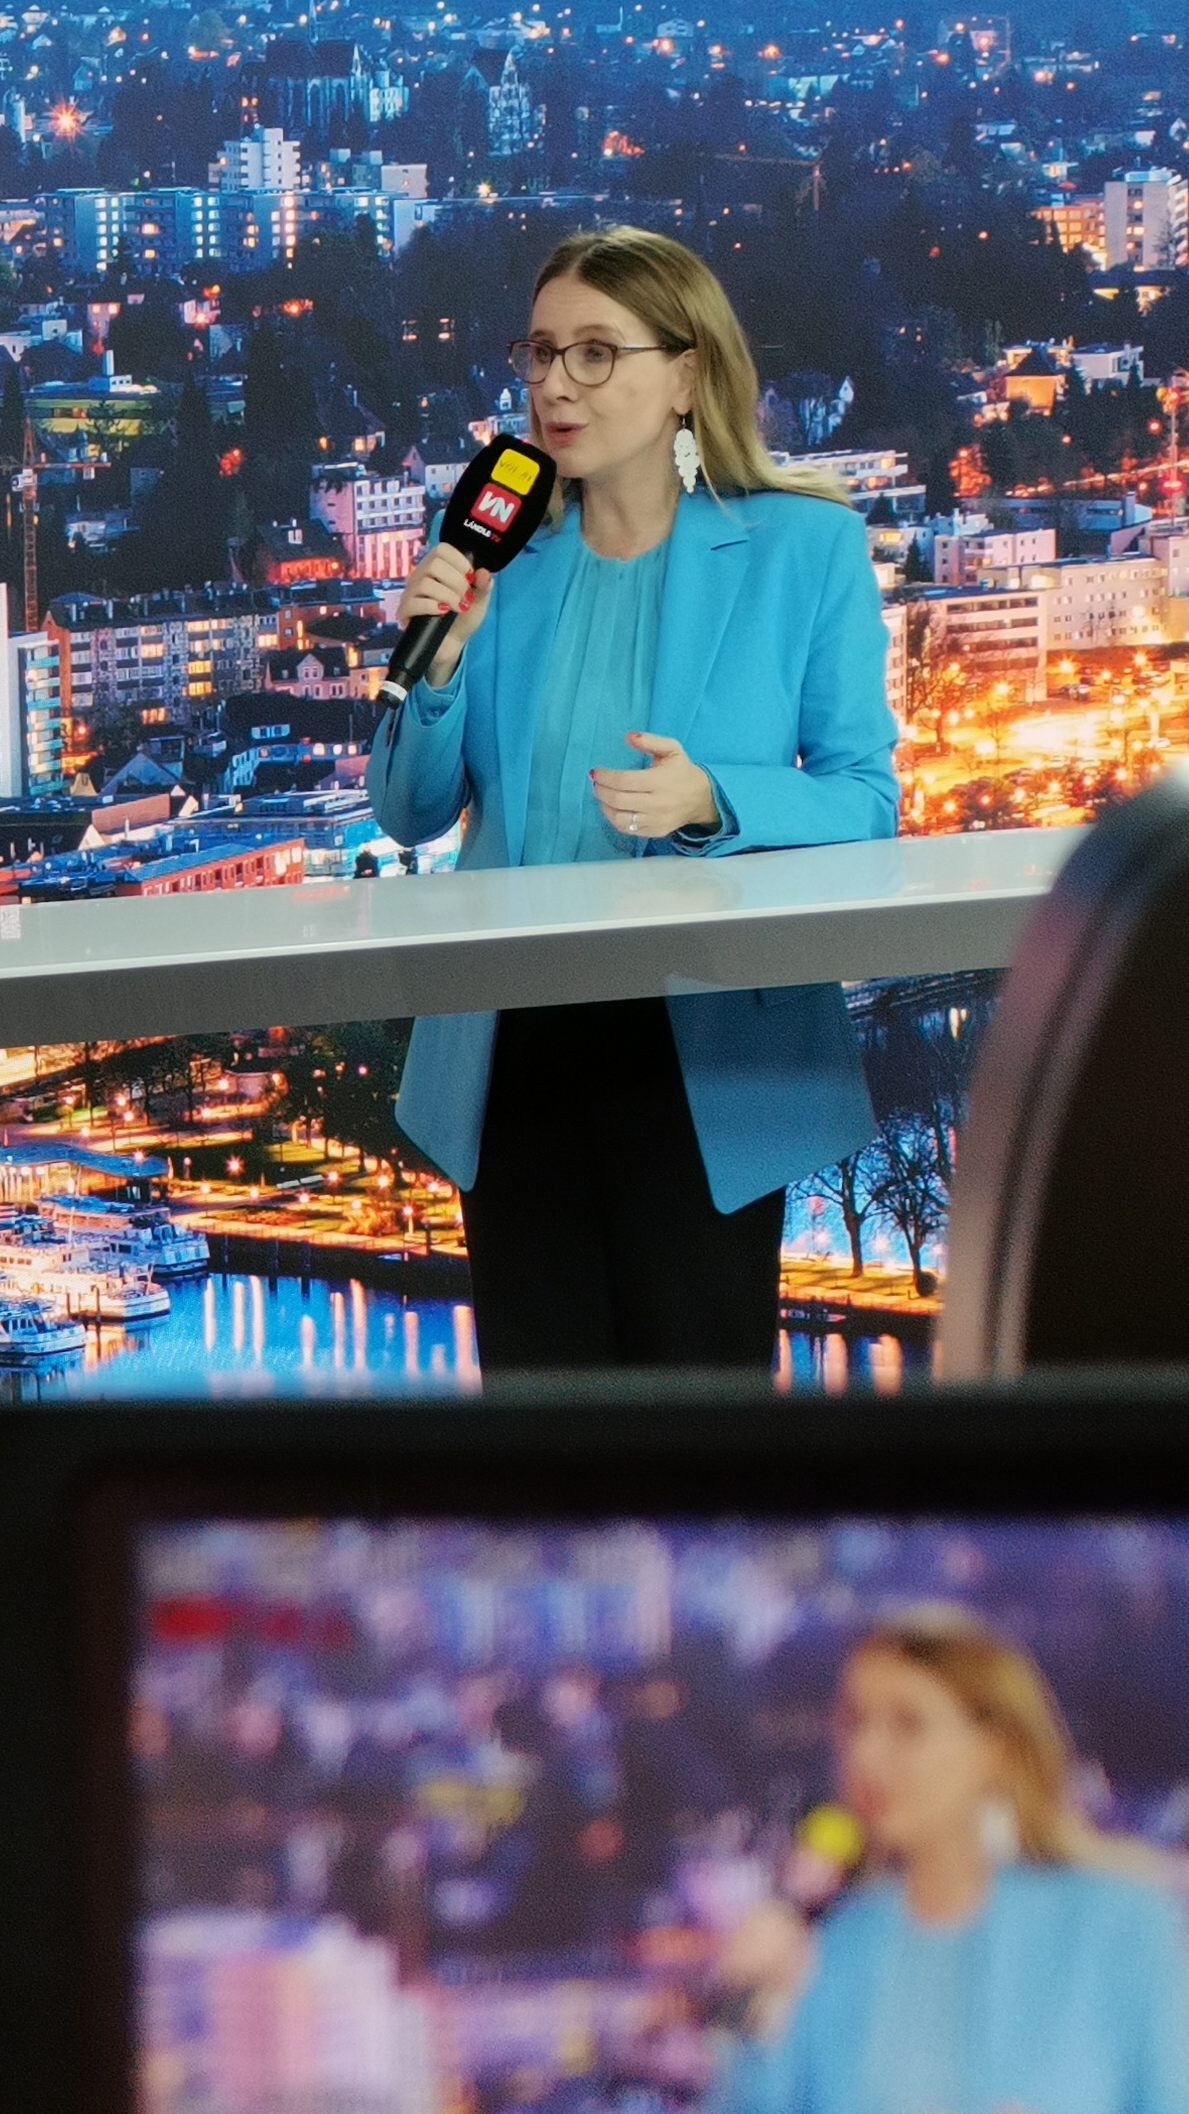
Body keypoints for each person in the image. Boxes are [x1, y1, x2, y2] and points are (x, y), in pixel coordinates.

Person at [366, 225, 899, 1372]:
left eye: (596, 353)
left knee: (699, 1412)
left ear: (686, 376)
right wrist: (439, 666)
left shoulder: (804, 548)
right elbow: (408, 814)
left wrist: (714, 799)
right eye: (540, 351)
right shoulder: (497, 563)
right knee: (542, 1418)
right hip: (512, 1046)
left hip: (702, 1047)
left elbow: (865, 801)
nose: (554, 384)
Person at [713, 1606, 1189, 2114]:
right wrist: (755, 2023)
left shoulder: (1123, 1927)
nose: (867, 1754)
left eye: (907, 1724)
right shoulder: (834, 1947)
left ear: (994, 1748)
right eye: (856, 1723)